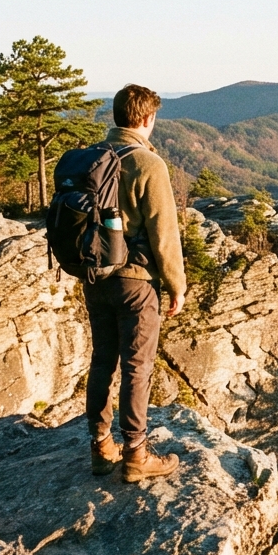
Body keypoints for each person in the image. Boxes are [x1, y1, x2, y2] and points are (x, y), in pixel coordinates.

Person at [85, 84, 187, 481]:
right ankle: (135, 454)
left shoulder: (92, 158)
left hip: (95, 279)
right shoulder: (148, 164)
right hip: (136, 282)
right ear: (147, 119)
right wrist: (176, 283)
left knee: (101, 361)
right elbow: (165, 233)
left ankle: (99, 446)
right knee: (136, 367)